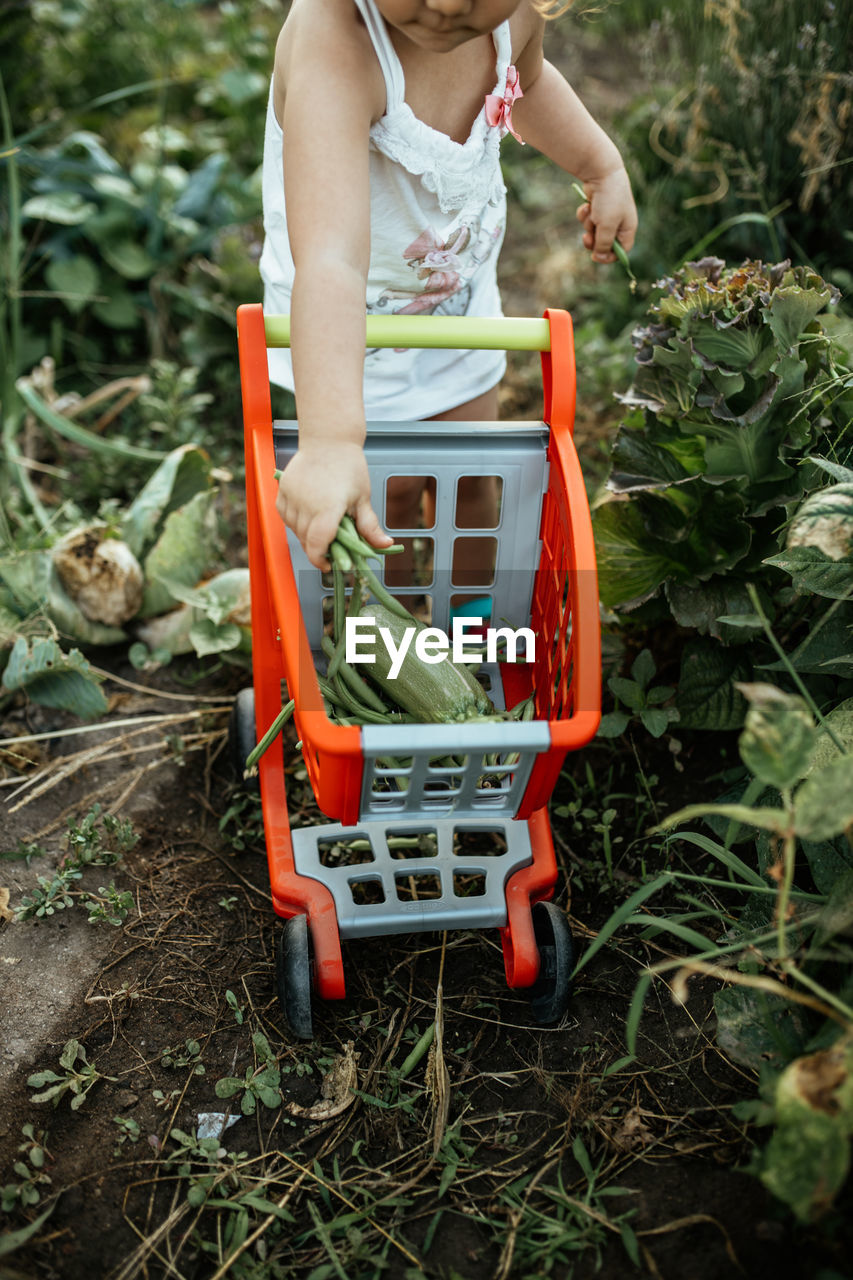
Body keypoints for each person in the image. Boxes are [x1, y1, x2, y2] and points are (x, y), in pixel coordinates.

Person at [260, 0, 638, 571]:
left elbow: (526, 84)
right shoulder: (336, 41)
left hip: (458, 307)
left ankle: (470, 628)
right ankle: (390, 633)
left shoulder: (514, 18)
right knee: (392, 494)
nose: (447, 3)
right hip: (349, 337)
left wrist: (599, 165)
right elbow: (332, 260)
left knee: (471, 475)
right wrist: (331, 443)